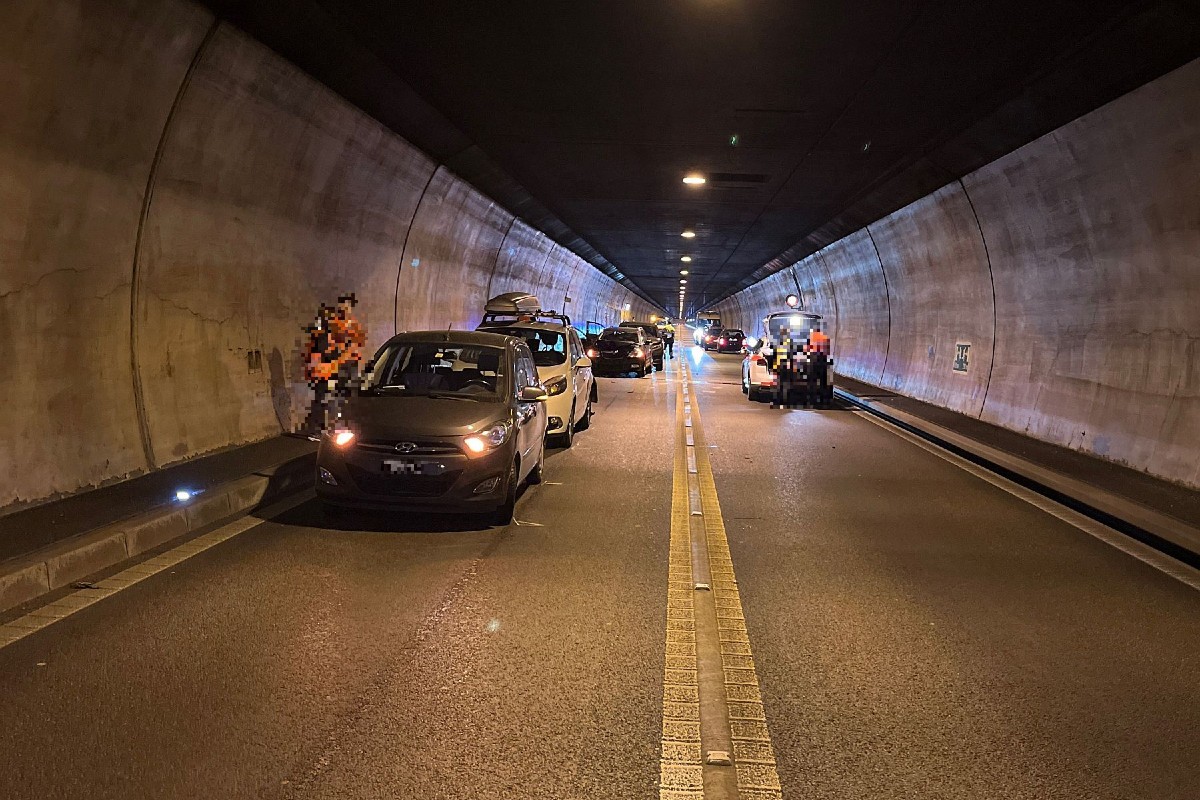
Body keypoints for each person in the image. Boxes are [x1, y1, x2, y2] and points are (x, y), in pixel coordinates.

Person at [302, 293, 367, 433]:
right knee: (332, 394)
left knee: (346, 393)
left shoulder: (354, 324)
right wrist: (340, 352)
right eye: (342, 306)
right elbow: (327, 347)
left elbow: (360, 341)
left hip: (347, 362)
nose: (344, 309)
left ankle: (337, 422)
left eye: (347, 306)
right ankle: (325, 424)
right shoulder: (333, 325)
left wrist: (350, 347)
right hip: (335, 365)